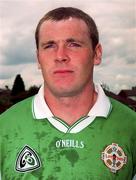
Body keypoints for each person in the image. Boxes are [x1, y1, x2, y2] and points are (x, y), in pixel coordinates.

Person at [0, 7, 136, 180]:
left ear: (97, 54)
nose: (60, 56)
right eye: (49, 46)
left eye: (73, 44)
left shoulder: (131, 127)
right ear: (38, 58)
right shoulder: (4, 127)